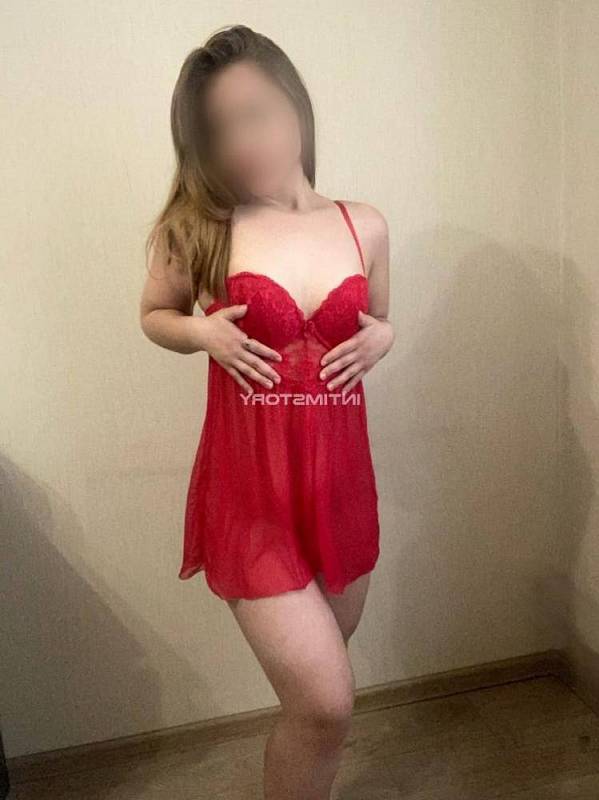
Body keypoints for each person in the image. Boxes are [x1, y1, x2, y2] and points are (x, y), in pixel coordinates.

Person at [139, 24, 394, 800]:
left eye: (255, 113)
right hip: (250, 496)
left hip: (339, 488)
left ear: (294, 103)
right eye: (219, 128)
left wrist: (384, 337)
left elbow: (377, 322)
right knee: (325, 705)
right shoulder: (200, 227)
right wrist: (200, 332)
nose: (242, 141)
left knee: (316, 707)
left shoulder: (363, 224)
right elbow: (154, 315)